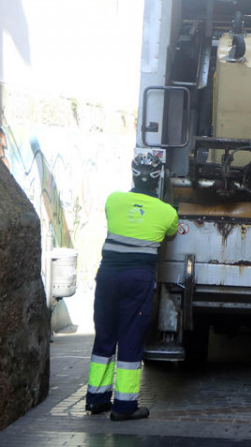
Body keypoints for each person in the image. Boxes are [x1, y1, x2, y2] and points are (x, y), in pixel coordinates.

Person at [85, 153, 178, 421]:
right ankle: (124, 407)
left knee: (104, 336)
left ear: (133, 175)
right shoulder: (167, 212)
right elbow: (170, 233)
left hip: (108, 276)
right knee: (130, 338)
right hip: (138, 279)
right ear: (158, 178)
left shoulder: (113, 200)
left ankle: (96, 400)